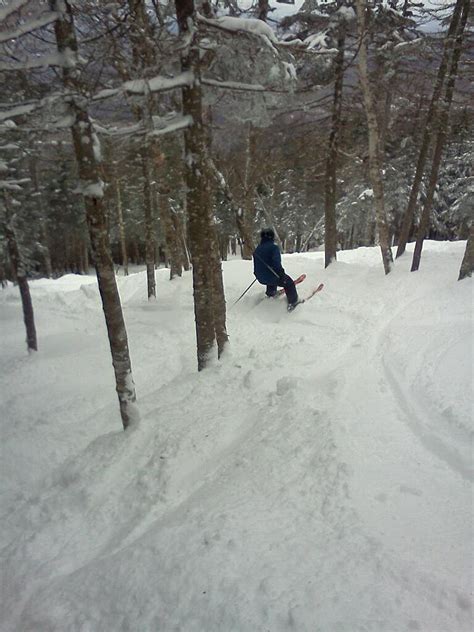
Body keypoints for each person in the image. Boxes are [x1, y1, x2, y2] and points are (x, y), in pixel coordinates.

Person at [253, 228, 299, 309]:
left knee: (271, 276)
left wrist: (259, 274)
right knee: (289, 283)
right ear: (272, 237)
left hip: (260, 277)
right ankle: (293, 303)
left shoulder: (257, 249)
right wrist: (282, 275)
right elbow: (276, 263)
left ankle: (271, 293)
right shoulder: (273, 248)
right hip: (270, 277)